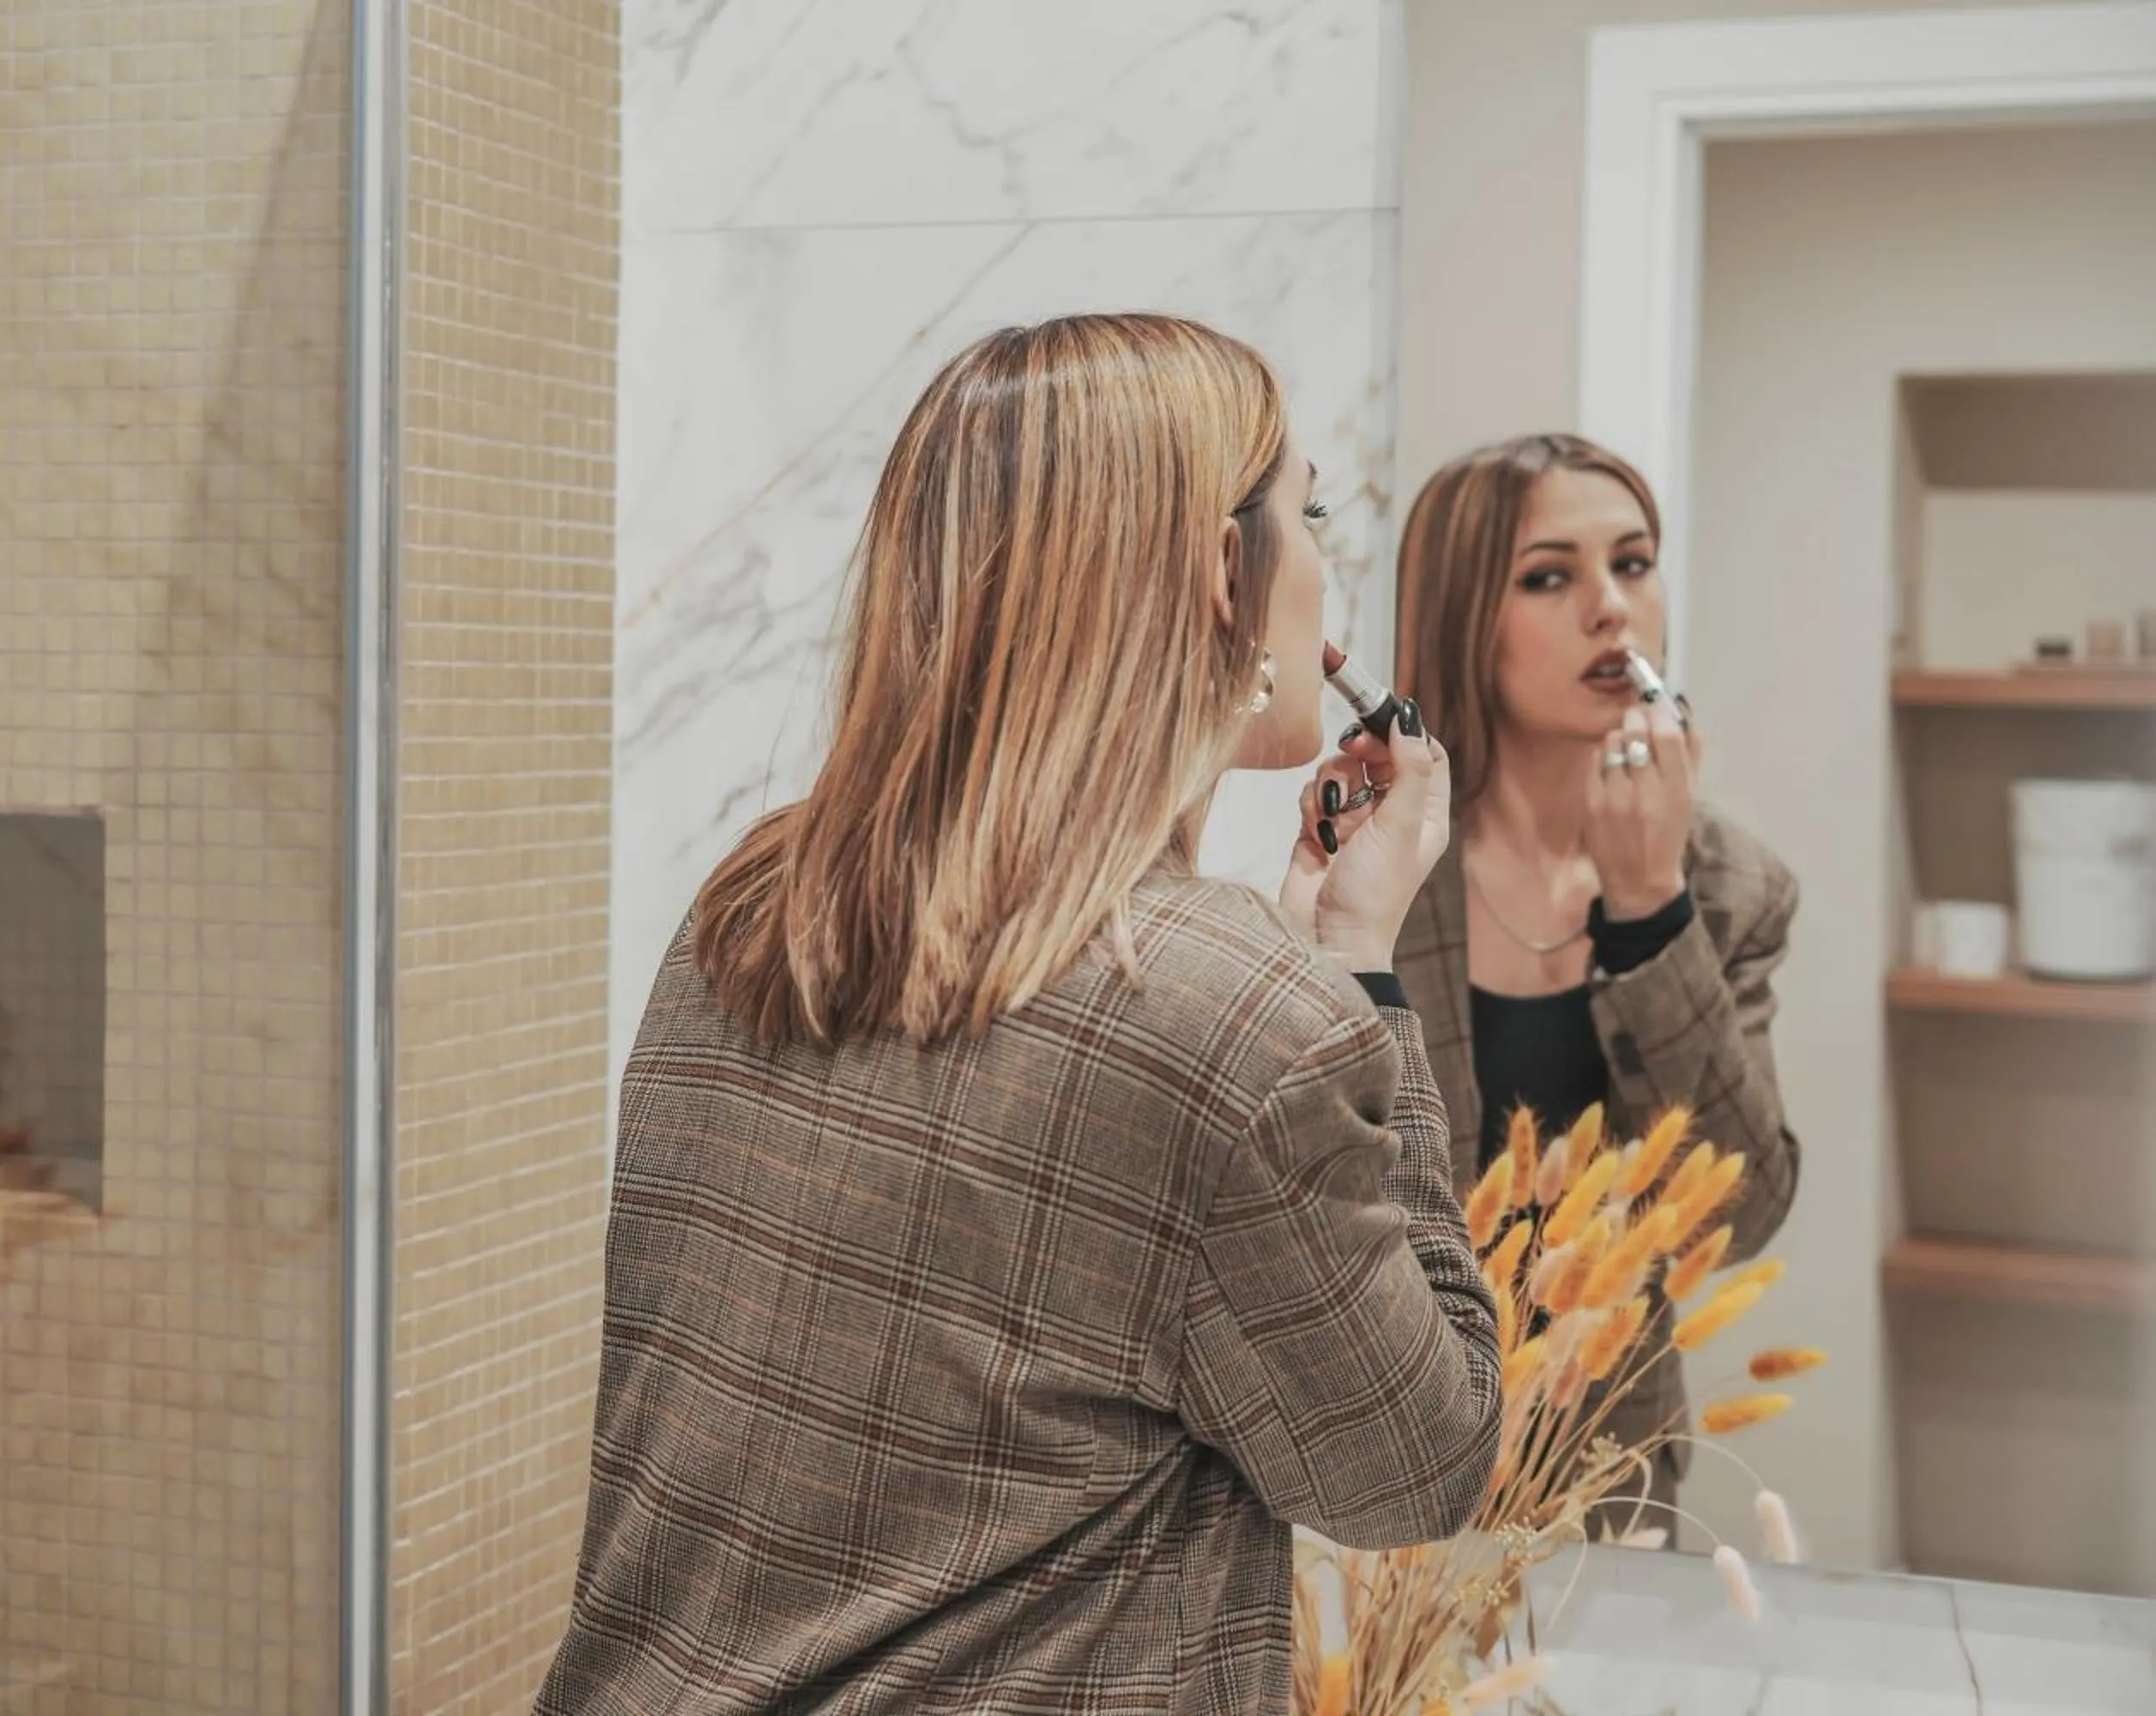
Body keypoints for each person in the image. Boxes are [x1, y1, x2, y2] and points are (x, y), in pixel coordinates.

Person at [535, 315, 1501, 1714]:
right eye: (1312, 517)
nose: (1326, 589)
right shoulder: (1235, 1025)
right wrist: (1351, 959)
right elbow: (1416, 1466)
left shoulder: (757, 905)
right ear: (1226, 573)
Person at [1390, 432, 1802, 1537]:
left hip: (1602, 1466)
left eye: (1633, 563)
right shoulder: (1377, 870)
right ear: (1462, 616)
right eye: (1550, 576)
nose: (1611, 609)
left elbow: (1743, 1207)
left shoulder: (1729, 885)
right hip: (1373, 1449)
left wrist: (1651, 908)